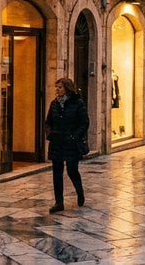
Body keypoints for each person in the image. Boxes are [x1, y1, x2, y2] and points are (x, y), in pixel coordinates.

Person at [44, 77, 90, 213]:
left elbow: (84, 122)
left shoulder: (77, 103)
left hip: (71, 143)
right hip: (57, 142)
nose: (57, 90)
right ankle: (59, 202)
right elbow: (48, 122)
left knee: (72, 170)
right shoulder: (54, 104)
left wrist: (75, 136)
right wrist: (50, 133)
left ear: (67, 88)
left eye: (60, 87)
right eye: (56, 87)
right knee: (57, 173)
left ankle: (80, 192)